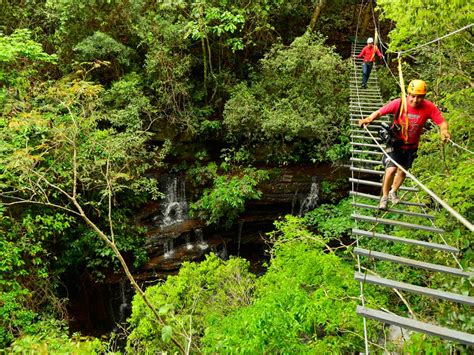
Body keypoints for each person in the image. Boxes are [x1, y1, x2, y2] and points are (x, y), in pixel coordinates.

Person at [358, 79, 451, 210]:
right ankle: (384, 197)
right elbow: (380, 112)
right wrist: (368, 119)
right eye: (413, 96)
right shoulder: (399, 103)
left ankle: (393, 192)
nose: (415, 100)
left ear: (424, 97)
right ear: (408, 94)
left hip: (411, 146)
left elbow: (441, 122)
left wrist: (444, 131)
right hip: (396, 143)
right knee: (390, 170)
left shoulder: (429, 107)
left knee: (402, 171)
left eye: (419, 97)